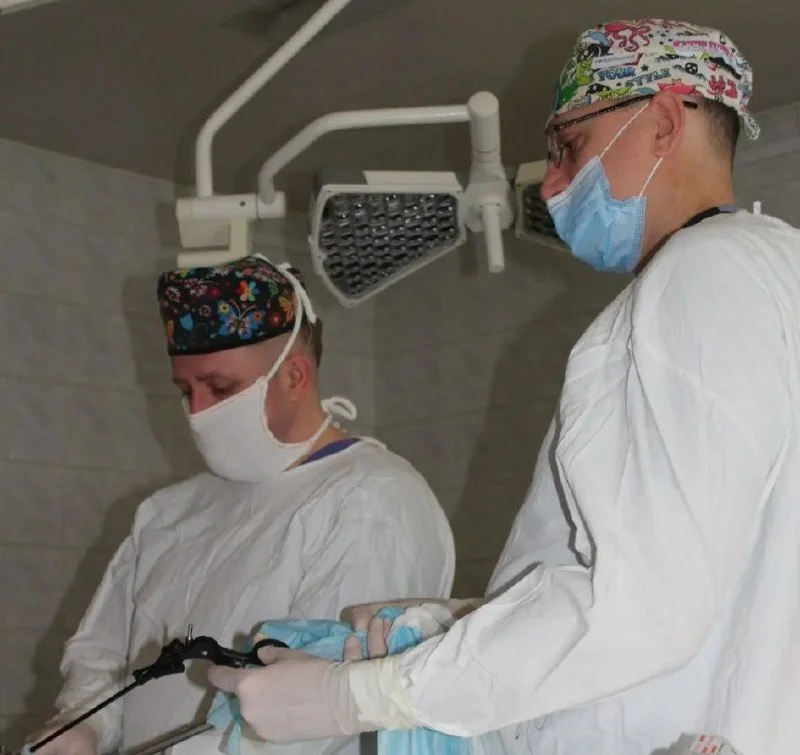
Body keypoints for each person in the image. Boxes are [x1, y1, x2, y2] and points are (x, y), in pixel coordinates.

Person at [205, 19, 800, 755]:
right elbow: (704, 571)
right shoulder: (774, 270)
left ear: (663, 123)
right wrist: (465, 627)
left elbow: (645, 606)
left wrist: (361, 695)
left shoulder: (698, 277)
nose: (549, 185)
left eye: (569, 146)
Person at [26, 255, 455, 755]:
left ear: (294, 376)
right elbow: (106, 655)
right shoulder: (169, 512)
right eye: (185, 391)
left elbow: (319, 715)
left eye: (220, 388)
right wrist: (85, 727)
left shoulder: (373, 501)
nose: (198, 412)